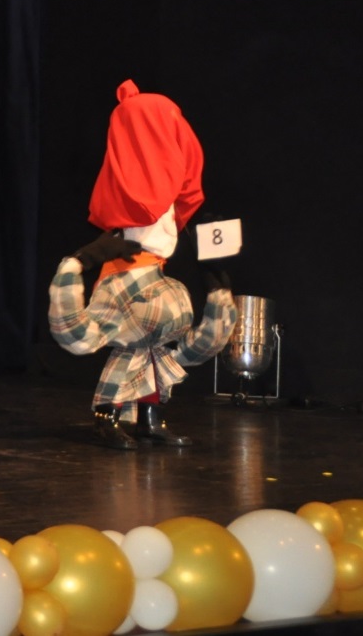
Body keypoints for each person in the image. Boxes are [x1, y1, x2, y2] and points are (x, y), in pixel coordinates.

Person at [48, 80, 236, 449]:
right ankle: (108, 416)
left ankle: (149, 418)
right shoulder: (133, 188)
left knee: (154, 354)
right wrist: (84, 259)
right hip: (127, 274)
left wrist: (215, 278)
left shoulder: (164, 191)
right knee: (130, 351)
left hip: (155, 275)